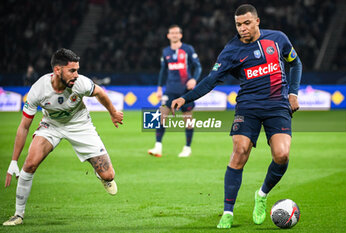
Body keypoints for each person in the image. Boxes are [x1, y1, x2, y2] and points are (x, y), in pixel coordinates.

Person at [171, 4, 302, 228]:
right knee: (239, 152)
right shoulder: (231, 50)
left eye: (247, 23)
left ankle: (261, 195)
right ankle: (227, 213)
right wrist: (186, 98)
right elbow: (211, 80)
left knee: (282, 155)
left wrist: (293, 93)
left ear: (257, 21)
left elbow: (295, 63)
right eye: (238, 24)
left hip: (277, 105)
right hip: (248, 107)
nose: (242, 28)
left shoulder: (278, 39)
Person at [3, 48, 124, 226]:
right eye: (72, 71)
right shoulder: (38, 89)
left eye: (77, 70)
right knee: (29, 164)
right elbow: (24, 126)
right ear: (57, 70)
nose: (76, 75)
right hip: (51, 125)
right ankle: (18, 214)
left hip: (80, 124)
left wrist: (113, 112)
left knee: (108, 175)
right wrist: (14, 161)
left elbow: (100, 93)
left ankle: (101, 175)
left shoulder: (80, 83)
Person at [148, 25, 202, 158]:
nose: (174, 35)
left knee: (187, 119)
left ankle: (187, 148)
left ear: (181, 35)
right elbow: (163, 71)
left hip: (185, 90)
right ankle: (158, 147)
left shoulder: (188, 49)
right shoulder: (165, 51)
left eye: (177, 33)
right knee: (162, 116)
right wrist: (159, 88)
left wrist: (194, 80)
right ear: (168, 35)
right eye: (172, 33)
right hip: (170, 89)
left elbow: (198, 67)